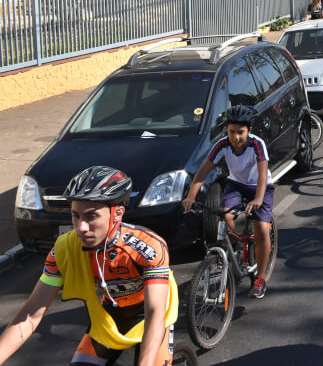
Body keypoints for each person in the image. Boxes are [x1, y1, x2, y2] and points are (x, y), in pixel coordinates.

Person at [0, 167, 177, 366]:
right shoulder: (64, 250)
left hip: (151, 315)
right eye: (76, 216)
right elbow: (31, 314)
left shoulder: (148, 247)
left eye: (91, 216)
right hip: (111, 316)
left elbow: (155, 312)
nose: (81, 227)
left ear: (117, 213)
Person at [183, 104, 273, 299]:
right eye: (231, 132)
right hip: (236, 184)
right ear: (227, 130)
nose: (236, 137)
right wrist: (191, 196)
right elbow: (202, 173)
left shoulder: (257, 144)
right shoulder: (222, 145)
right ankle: (236, 248)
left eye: (240, 132)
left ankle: (261, 278)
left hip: (260, 185)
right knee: (225, 214)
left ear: (249, 130)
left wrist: (258, 198)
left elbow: (262, 174)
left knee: (261, 229)